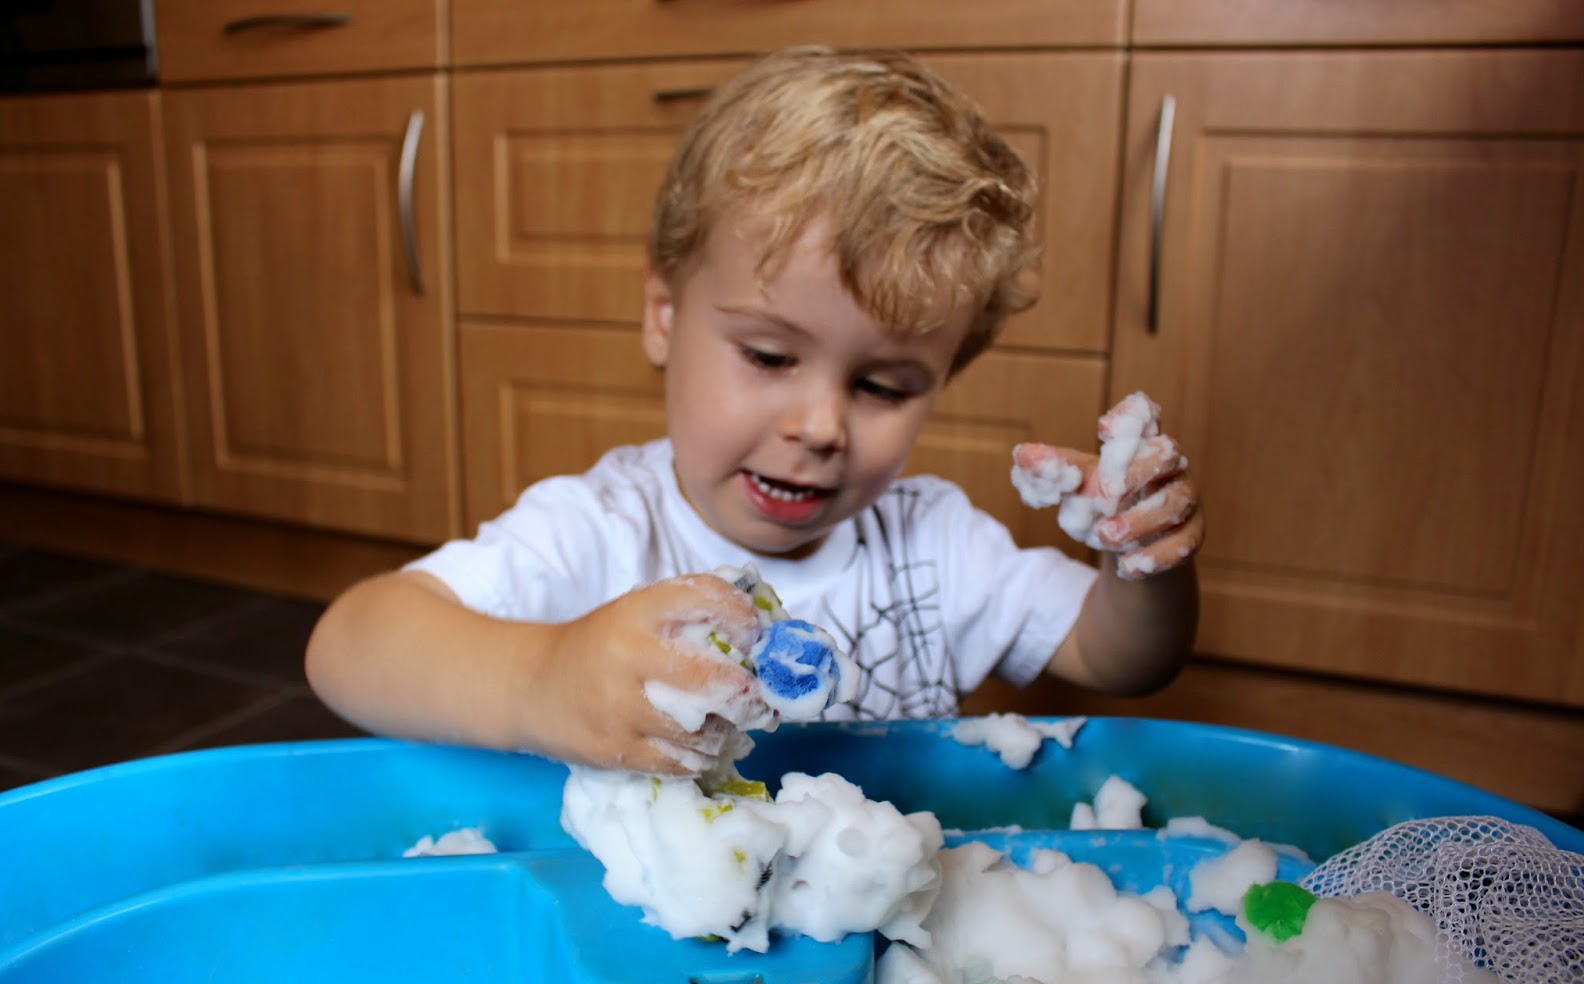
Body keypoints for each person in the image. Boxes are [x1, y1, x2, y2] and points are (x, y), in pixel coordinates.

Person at [305, 46, 1203, 777]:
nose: (819, 426)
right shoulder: (606, 529)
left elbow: (1118, 656)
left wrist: (1145, 563)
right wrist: (543, 680)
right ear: (665, 316)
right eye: (770, 357)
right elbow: (351, 644)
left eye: (884, 386)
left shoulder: (934, 545)